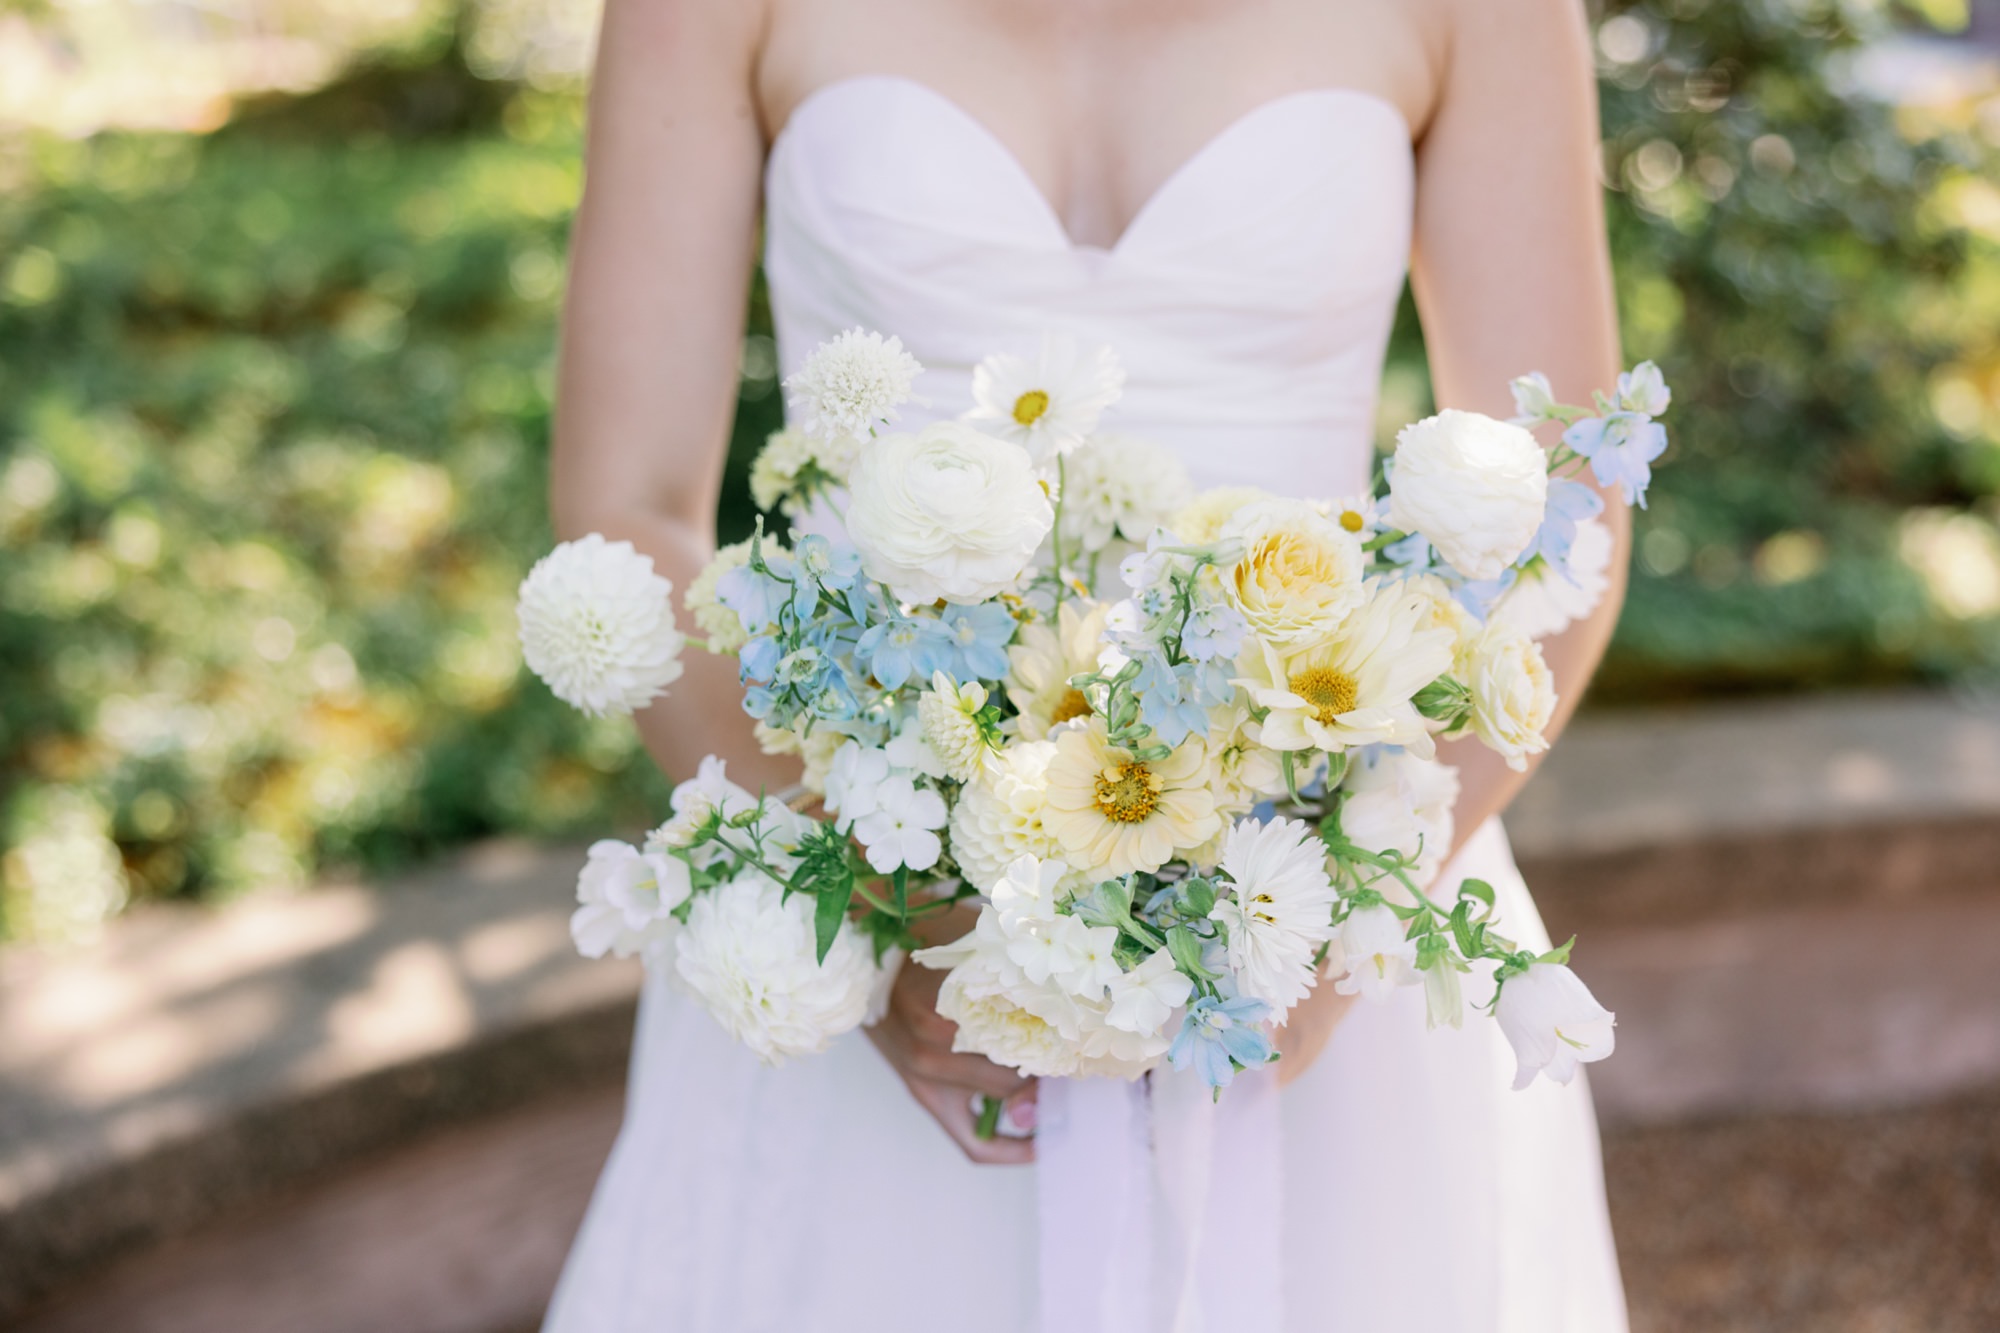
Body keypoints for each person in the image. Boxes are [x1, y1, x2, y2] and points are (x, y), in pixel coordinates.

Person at [543, 0, 1629, 1328]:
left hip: (1335, 912)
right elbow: (630, 503)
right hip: (855, 894)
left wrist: (1337, 918)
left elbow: (1559, 509)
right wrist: (862, 898)